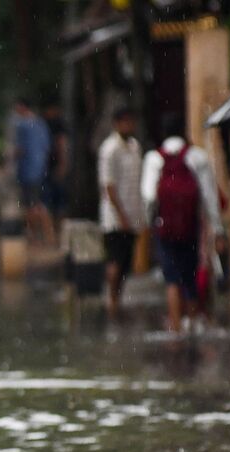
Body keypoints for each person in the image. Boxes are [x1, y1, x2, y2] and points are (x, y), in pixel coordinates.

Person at [141, 113, 226, 332]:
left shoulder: (154, 158)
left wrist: (150, 223)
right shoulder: (197, 157)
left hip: (165, 227)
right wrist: (217, 230)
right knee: (189, 276)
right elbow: (210, 197)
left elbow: (149, 196)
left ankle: (175, 329)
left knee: (171, 279)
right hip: (190, 227)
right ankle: (192, 325)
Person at [97, 107, 145, 318]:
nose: (128, 126)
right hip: (114, 218)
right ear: (116, 124)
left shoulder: (135, 147)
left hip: (134, 213)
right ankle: (112, 300)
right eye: (124, 122)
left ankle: (117, 299)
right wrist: (122, 216)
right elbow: (109, 187)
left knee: (126, 263)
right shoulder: (109, 149)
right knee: (115, 260)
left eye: (130, 121)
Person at [8, 98, 55, 246]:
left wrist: (10, 158)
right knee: (40, 203)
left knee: (31, 206)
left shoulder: (23, 125)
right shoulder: (40, 123)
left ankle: (34, 237)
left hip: (28, 170)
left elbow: (20, 149)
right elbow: (47, 147)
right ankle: (48, 236)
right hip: (41, 169)